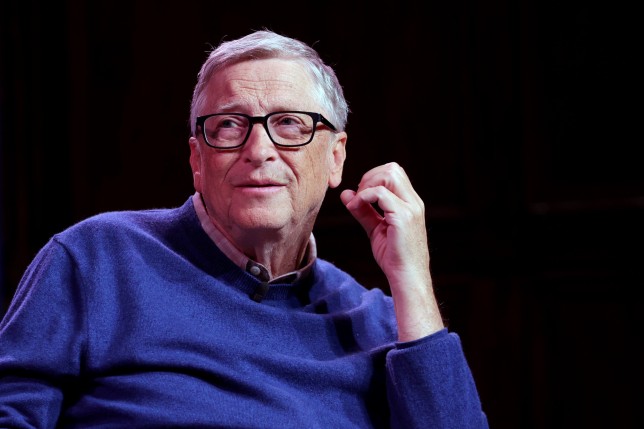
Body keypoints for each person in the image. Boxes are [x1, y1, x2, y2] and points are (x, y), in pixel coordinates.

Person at [0, 30, 488, 428]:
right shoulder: (95, 259)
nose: (258, 150)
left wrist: (413, 281)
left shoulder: (381, 324)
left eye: (291, 124)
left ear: (335, 156)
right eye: (230, 126)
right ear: (197, 158)